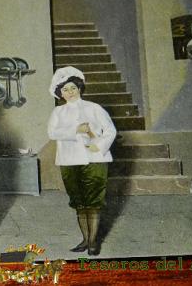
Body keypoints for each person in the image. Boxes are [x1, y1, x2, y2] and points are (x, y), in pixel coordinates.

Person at [47, 66, 116, 256]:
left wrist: (98, 146)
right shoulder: (58, 112)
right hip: (69, 160)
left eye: (73, 88)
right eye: (65, 89)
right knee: (79, 202)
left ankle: (93, 242)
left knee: (93, 201)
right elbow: (52, 133)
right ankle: (85, 239)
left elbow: (110, 131)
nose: (70, 92)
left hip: (95, 160)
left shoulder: (94, 108)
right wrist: (75, 130)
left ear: (79, 89)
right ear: (60, 93)